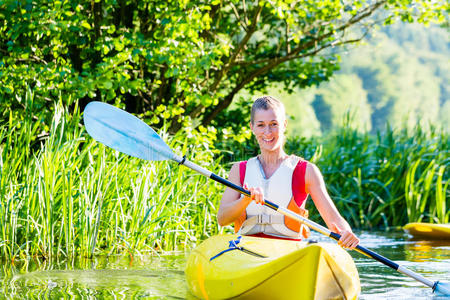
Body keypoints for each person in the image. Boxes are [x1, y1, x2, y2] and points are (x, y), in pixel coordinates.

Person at [217, 96, 360, 249]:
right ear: (252, 127)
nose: (267, 132)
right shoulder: (239, 170)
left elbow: (334, 219)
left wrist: (346, 233)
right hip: (245, 249)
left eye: (274, 124)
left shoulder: (306, 171)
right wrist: (245, 200)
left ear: (284, 125)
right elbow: (222, 219)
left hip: (288, 251)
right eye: (261, 125)